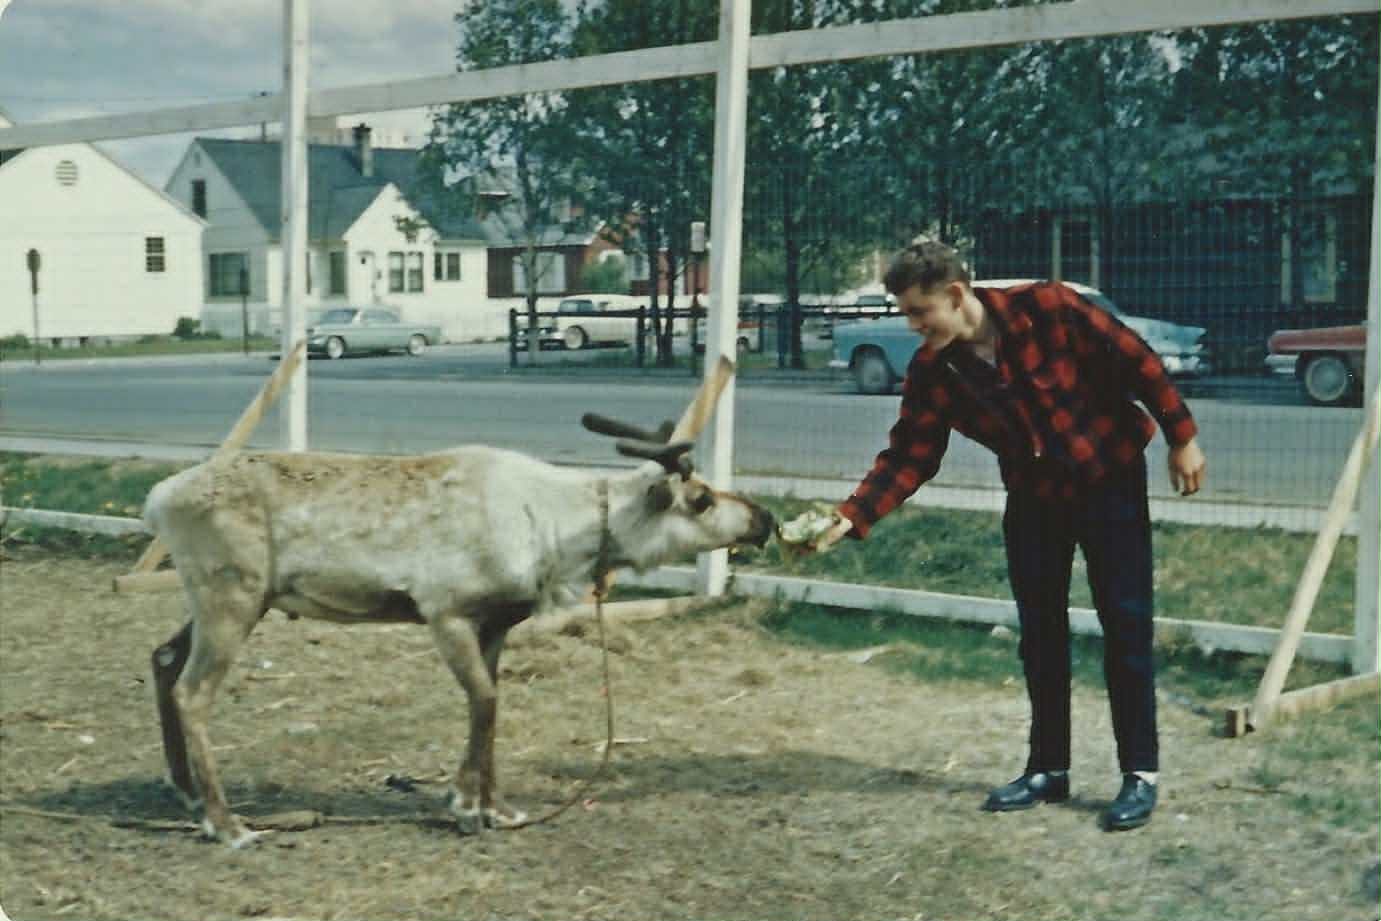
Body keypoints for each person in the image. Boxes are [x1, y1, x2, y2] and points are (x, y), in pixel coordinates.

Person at [807, 240, 1206, 832]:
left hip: (1109, 479)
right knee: (1040, 631)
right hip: (1035, 495)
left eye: (920, 313)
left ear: (956, 294)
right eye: (908, 317)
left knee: (1125, 624)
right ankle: (1049, 768)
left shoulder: (1049, 308)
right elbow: (911, 455)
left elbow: (1137, 360)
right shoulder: (934, 370)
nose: (915, 328)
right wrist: (853, 513)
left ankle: (1139, 775)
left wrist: (1182, 435)